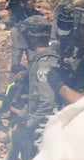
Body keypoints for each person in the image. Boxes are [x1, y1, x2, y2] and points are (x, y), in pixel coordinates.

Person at [19, 14, 60, 150]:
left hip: (44, 129)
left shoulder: (43, 63)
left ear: (30, 37)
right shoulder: (43, 59)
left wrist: (29, 124)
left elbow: (47, 102)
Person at [0, 63, 30, 160]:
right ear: (14, 74)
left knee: (27, 147)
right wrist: (19, 113)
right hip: (15, 121)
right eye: (20, 73)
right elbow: (7, 104)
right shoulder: (11, 87)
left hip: (27, 121)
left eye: (24, 73)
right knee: (14, 147)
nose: (22, 76)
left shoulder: (28, 86)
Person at [6, 0, 45, 68]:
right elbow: (10, 18)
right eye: (24, 1)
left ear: (33, 1)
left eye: (28, 0)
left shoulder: (38, 14)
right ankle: (13, 79)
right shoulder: (18, 11)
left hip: (31, 39)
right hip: (19, 37)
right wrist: (11, 4)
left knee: (32, 61)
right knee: (16, 61)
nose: (27, 2)